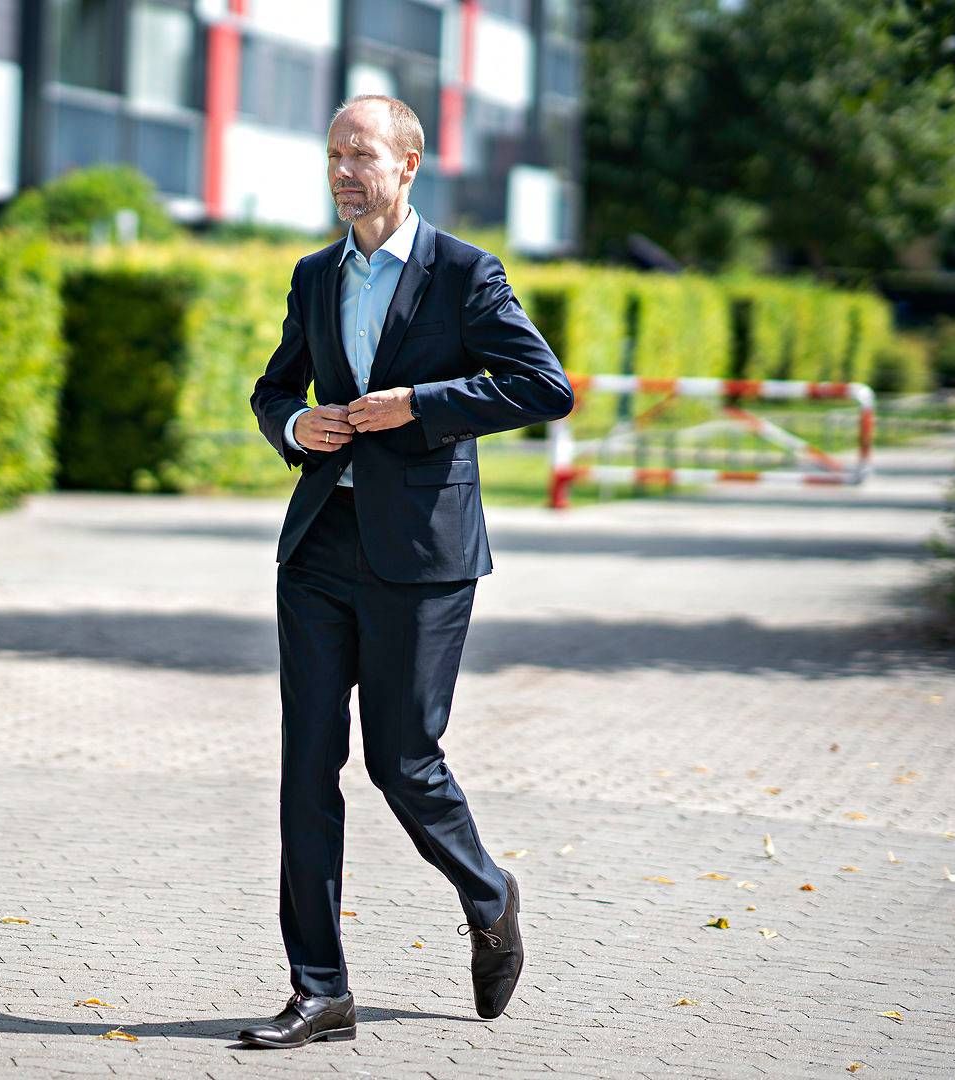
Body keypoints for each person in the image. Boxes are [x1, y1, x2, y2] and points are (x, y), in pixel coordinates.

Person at [239, 94, 574, 1049]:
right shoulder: (314, 276)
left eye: (363, 155)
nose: (345, 171)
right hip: (316, 553)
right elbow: (274, 391)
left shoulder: (465, 274)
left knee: (402, 761)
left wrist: (418, 405)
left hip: (423, 558)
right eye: (334, 154)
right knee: (307, 767)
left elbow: (543, 387)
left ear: (408, 165)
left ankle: (488, 890)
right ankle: (319, 990)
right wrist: (297, 427)